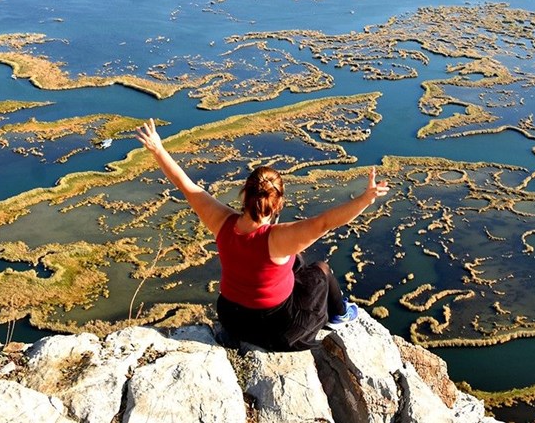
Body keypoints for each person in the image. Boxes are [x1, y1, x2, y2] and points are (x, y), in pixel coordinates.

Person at [135, 118, 390, 351]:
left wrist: (157, 149)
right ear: (278, 204)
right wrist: (365, 199)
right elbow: (325, 222)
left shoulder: (221, 221)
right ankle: (341, 314)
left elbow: (186, 184)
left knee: (297, 261)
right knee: (321, 271)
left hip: (232, 319)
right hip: (276, 330)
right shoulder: (278, 239)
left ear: (244, 195)